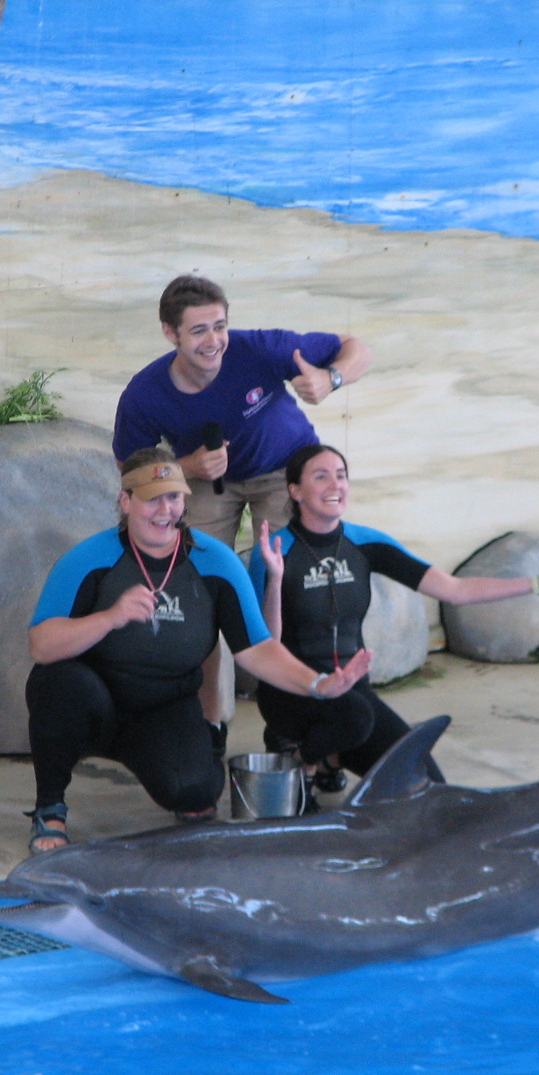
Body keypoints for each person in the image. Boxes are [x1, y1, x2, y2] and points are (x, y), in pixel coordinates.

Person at [23, 446, 373, 854]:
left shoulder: (214, 562)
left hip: (164, 707)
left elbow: (257, 648)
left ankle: (175, 752)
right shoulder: (89, 558)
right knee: (56, 682)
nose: (165, 510)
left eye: (174, 497)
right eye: (152, 498)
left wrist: (316, 684)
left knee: (196, 795)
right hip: (94, 704)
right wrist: (110, 617)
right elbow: (42, 646)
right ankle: (50, 807)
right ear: (125, 501)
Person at [250, 444, 539, 801]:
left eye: (341, 475)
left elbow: (455, 590)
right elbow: (266, 645)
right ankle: (300, 759)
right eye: (321, 476)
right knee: (354, 718)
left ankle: (328, 757)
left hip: (351, 690)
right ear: (295, 490)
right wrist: (275, 580)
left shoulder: (365, 543)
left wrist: (536, 583)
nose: (335, 485)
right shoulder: (275, 551)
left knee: (426, 783)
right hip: (294, 690)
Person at [111, 274, 373, 735]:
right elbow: (130, 469)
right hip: (207, 481)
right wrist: (185, 467)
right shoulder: (145, 392)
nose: (214, 341)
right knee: (199, 590)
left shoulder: (259, 349)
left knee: (296, 583)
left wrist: (330, 378)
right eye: (198, 331)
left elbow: (356, 348)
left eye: (220, 326)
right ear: (170, 333)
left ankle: (306, 713)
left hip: (284, 471)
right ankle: (209, 721)